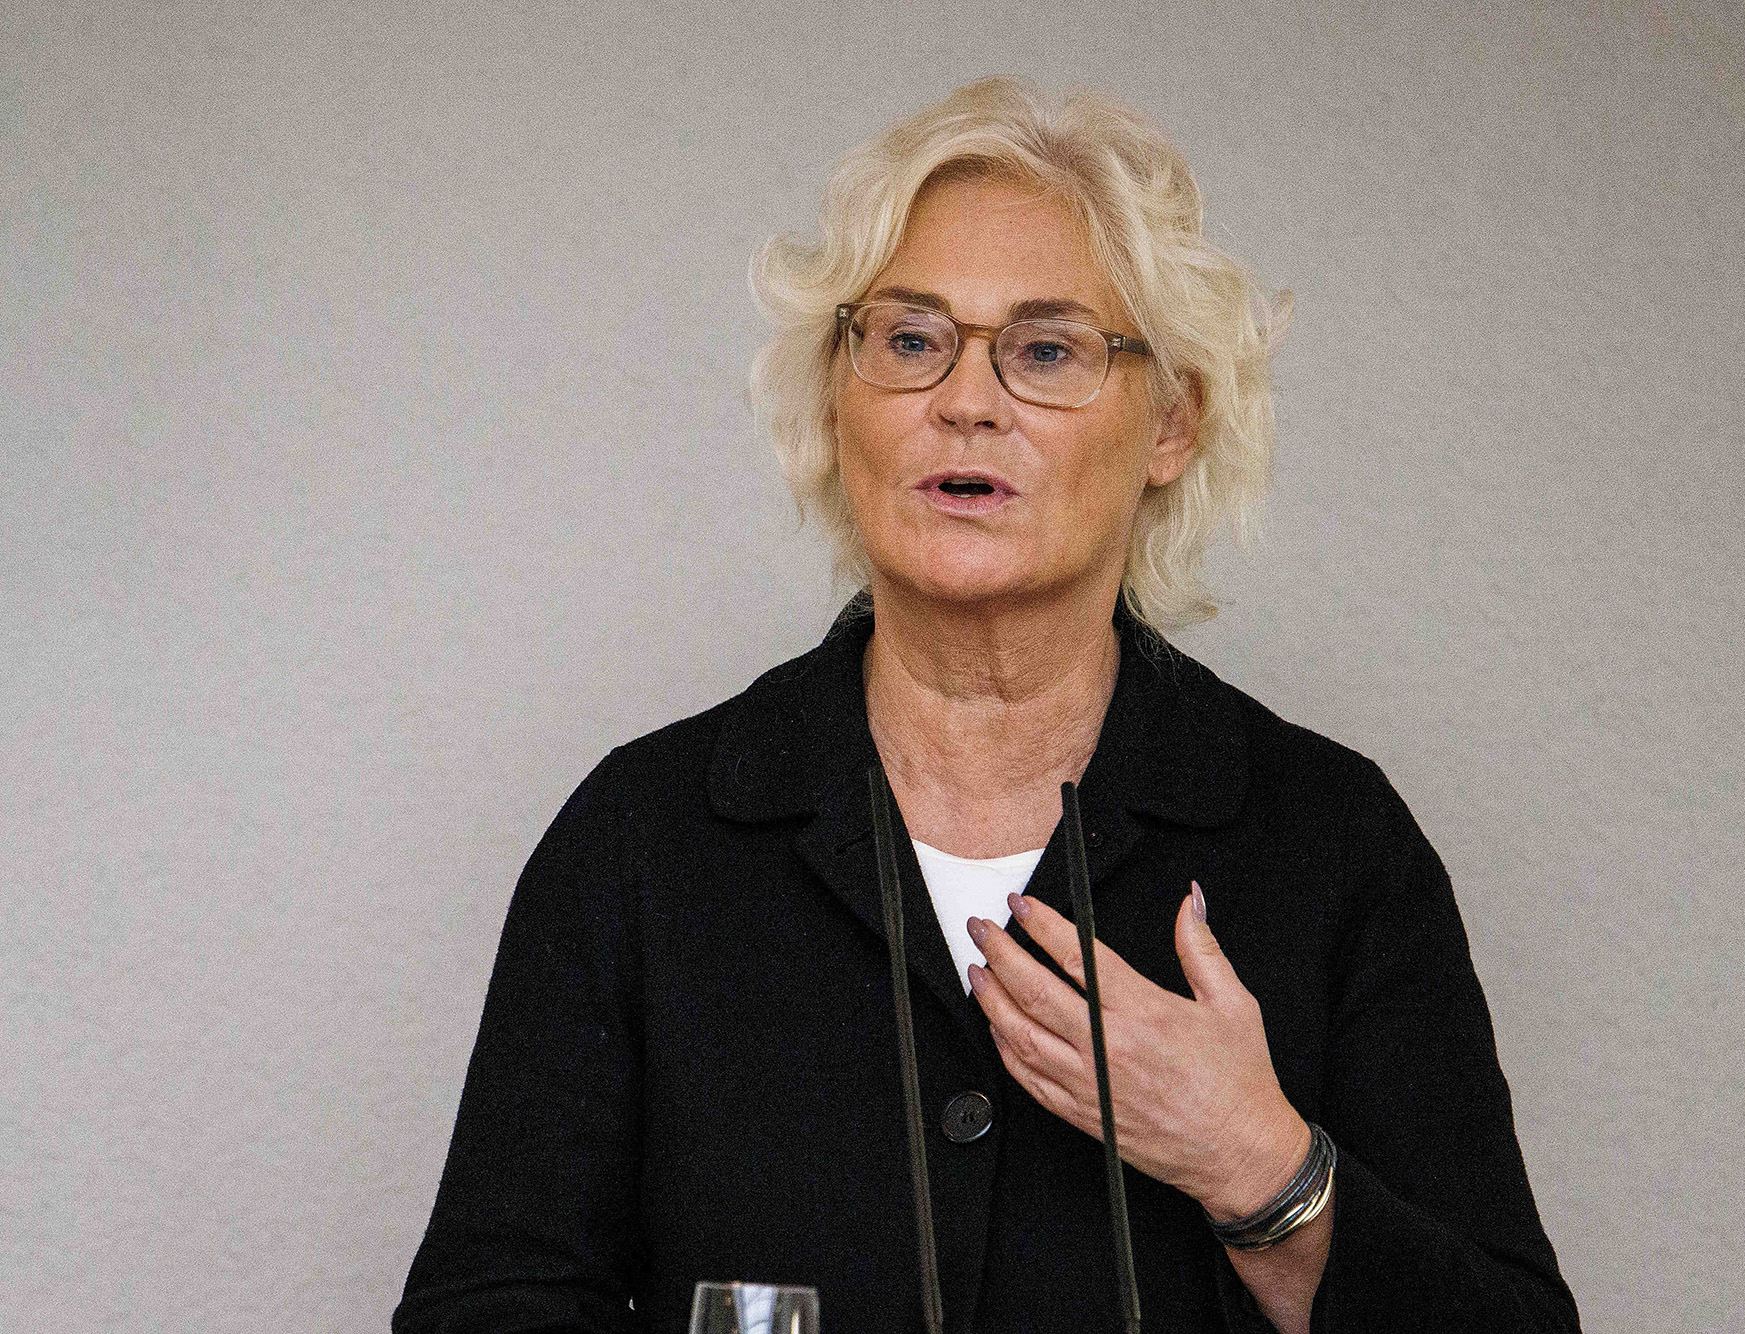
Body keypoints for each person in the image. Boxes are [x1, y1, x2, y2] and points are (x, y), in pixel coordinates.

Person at [394, 76, 1580, 1334]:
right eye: (909, 340)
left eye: (1046, 349)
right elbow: (487, 1308)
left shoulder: (1329, 841)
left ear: (1171, 419)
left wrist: (1257, 1164)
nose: (965, 400)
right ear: (840, 396)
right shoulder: (643, 838)